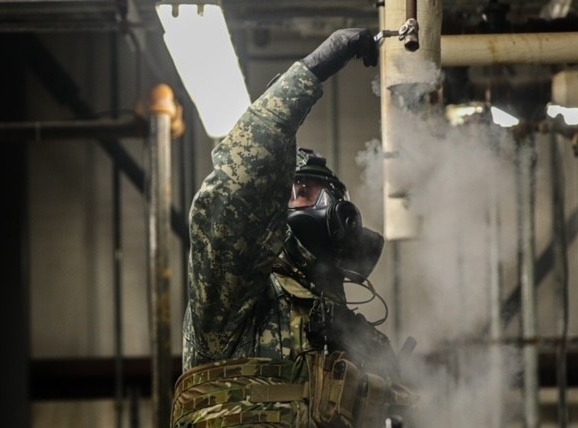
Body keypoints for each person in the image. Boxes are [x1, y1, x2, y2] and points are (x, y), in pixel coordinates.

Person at [172, 28, 415, 427]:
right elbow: (239, 186)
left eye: (307, 186)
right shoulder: (237, 293)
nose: (295, 191)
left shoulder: (363, 340)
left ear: (343, 214)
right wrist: (311, 72)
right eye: (286, 188)